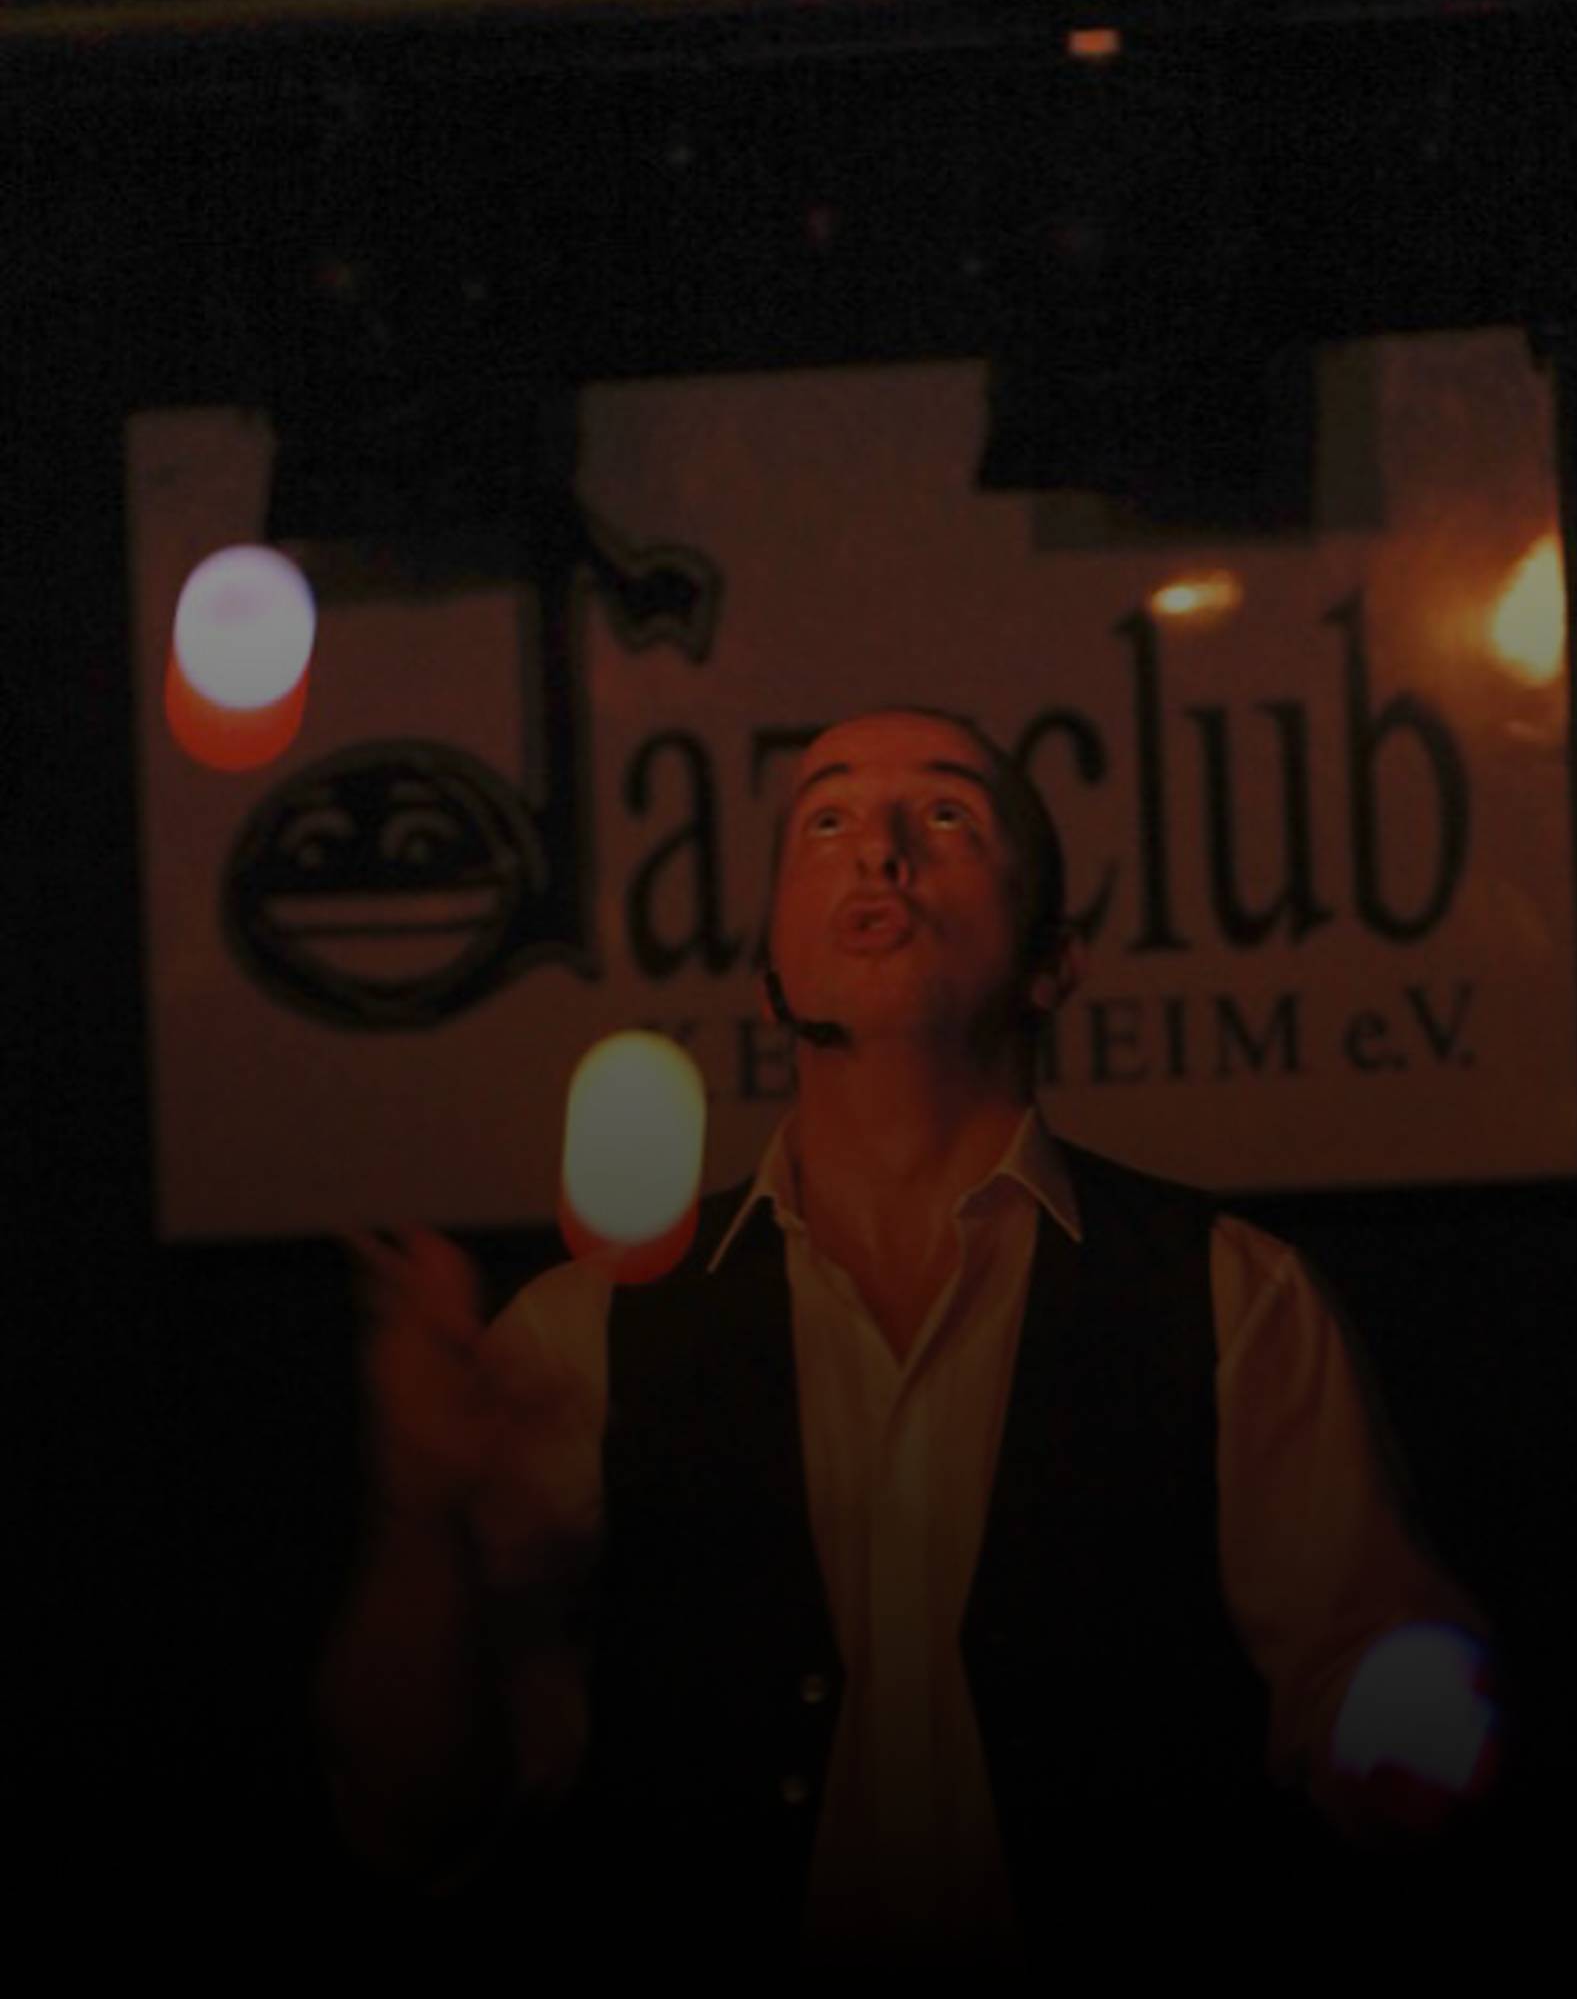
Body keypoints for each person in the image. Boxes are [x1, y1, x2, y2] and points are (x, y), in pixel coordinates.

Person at [318, 706, 1496, 1957]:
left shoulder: (1233, 1300)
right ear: (770, 974)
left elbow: (1384, 1715)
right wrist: (421, 1519)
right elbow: (412, 1817)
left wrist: (1421, 1719)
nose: (879, 848)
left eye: (946, 815)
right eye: (826, 820)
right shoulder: (583, 1332)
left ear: (1055, 961)